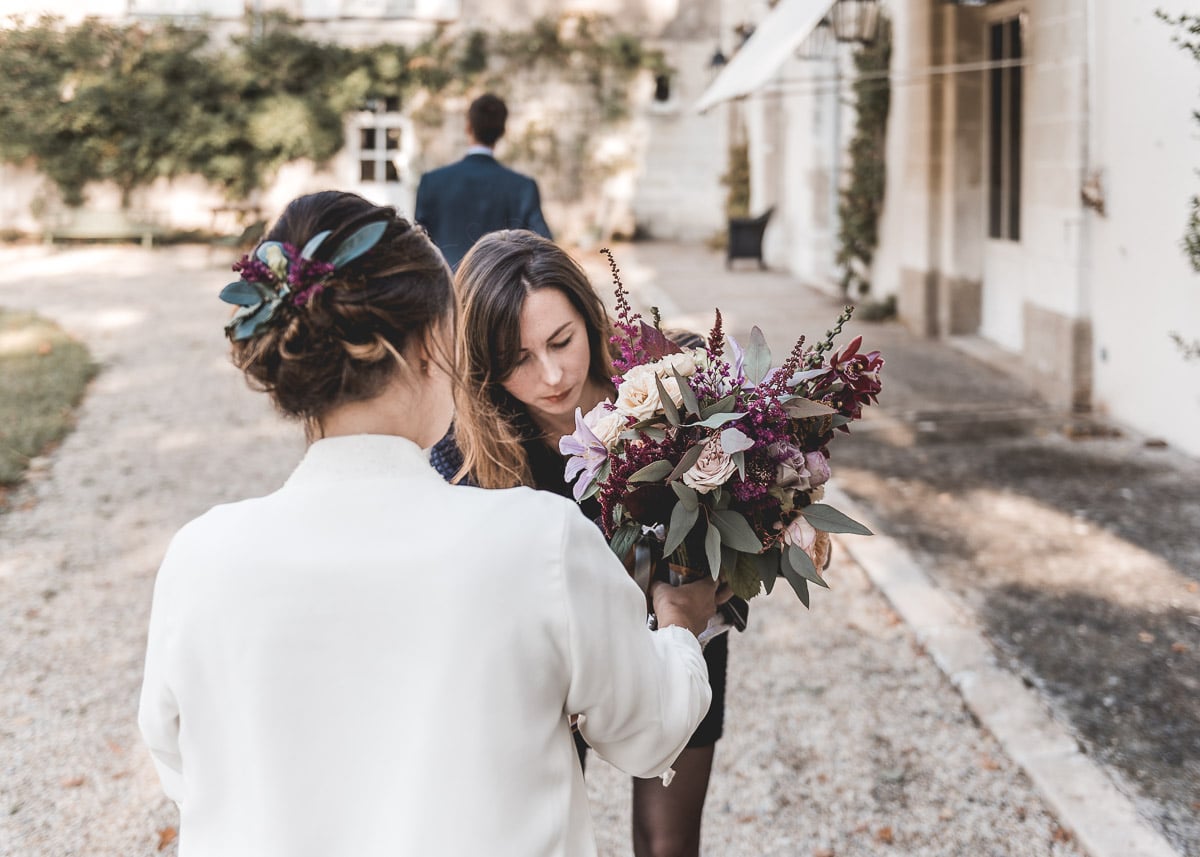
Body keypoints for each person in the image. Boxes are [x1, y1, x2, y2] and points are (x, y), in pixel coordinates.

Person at [137, 191, 719, 857]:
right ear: (431, 344)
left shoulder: (197, 558)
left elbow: (184, 769)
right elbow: (649, 731)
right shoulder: (539, 541)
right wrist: (677, 625)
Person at [432, 230, 736, 857]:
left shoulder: (676, 380)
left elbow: (761, 495)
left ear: (589, 317)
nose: (550, 374)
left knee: (667, 844)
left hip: (686, 631)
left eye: (562, 340)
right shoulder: (466, 452)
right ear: (483, 367)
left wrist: (765, 535)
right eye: (517, 359)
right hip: (552, 669)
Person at [414, 93, 552, 270]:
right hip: (502, 293)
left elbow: (419, 245)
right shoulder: (522, 187)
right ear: (502, 131)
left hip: (447, 290)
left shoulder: (432, 183)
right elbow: (544, 248)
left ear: (468, 127)